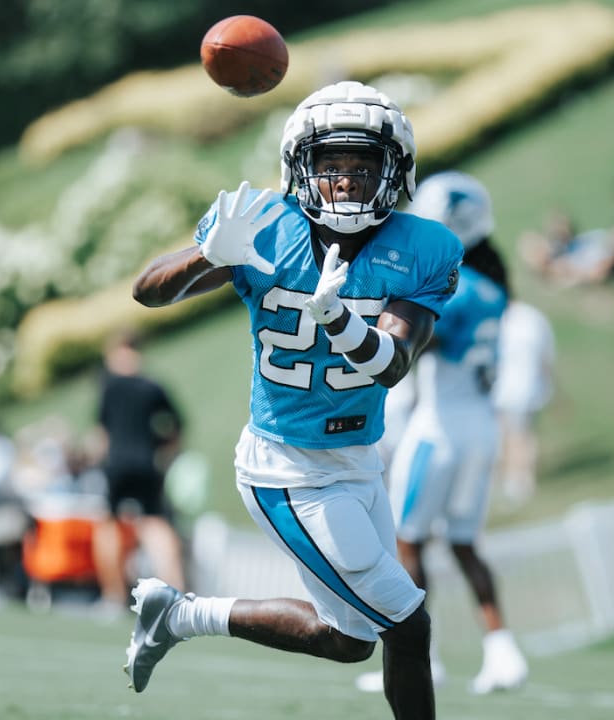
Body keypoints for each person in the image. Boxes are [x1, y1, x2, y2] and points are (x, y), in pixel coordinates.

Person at [124, 80, 462, 720]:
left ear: (395, 171)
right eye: (331, 167)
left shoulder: (425, 248)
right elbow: (146, 292)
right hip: (287, 469)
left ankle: (181, 613)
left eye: (363, 167)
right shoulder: (266, 230)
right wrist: (206, 256)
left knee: (349, 641)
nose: (346, 183)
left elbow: (391, 366)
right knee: (408, 623)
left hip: (359, 459)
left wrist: (339, 321)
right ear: (300, 170)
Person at [353, 171, 527, 696]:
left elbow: (408, 344)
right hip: (481, 426)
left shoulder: (454, 286)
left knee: (407, 540)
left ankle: (419, 656)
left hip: (440, 428)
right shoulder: (494, 288)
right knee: (464, 543)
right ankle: (503, 651)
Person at [91, 329, 187, 611]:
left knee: (108, 526)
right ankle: (177, 593)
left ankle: (113, 596)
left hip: (117, 463)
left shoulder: (109, 385)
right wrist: (166, 456)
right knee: (156, 525)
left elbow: (103, 433)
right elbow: (176, 427)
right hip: (147, 463)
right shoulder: (152, 385)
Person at [491, 298, 556, 506]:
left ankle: (520, 481)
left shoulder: (504, 319)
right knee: (517, 434)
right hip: (519, 388)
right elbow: (547, 354)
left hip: (511, 388)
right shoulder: (531, 317)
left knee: (518, 435)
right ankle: (515, 478)